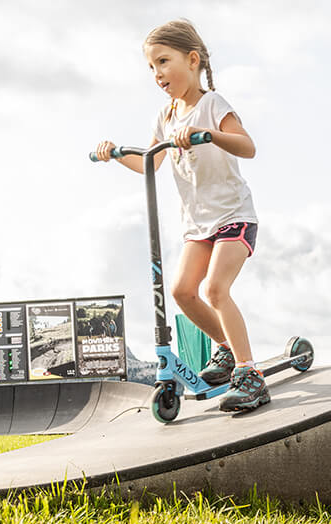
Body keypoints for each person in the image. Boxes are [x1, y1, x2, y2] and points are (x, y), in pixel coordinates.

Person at [94, 19, 267, 412]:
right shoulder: (166, 116)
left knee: (215, 290)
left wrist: (208, 134)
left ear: (192, 60)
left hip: (234, 216)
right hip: (198, 224)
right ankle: (225, 349)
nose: (157, 74)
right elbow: (149, 164)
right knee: (181, 291)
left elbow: (247, 146)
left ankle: (249, 373)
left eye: (163, 62)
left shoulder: (212, 105)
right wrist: (117, 153)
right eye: (151, 67)